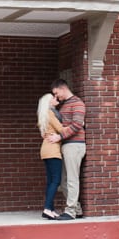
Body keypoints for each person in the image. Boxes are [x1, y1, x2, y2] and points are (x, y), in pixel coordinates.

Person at [46, 78, 86, 220]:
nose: (57, 97)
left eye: (57, 93)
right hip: (66, 145)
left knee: (71, 179)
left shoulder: (78, 103)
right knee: (63, 181)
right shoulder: (64, 105)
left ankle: (70, 212)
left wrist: (58, 137)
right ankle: (77, 209)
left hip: (75, 145)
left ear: (63, 88)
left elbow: (76, 125)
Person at [37, 93, 63, 220]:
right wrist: (78, 126)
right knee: (56, 180)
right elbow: (60, 128)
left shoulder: (44, 115)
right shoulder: (50, 113)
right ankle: (47, 208)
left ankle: (50, 209)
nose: (55, 98)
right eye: (53, 97)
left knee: (50, 181)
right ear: (49, 102)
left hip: (46, 149)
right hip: (53, 149)